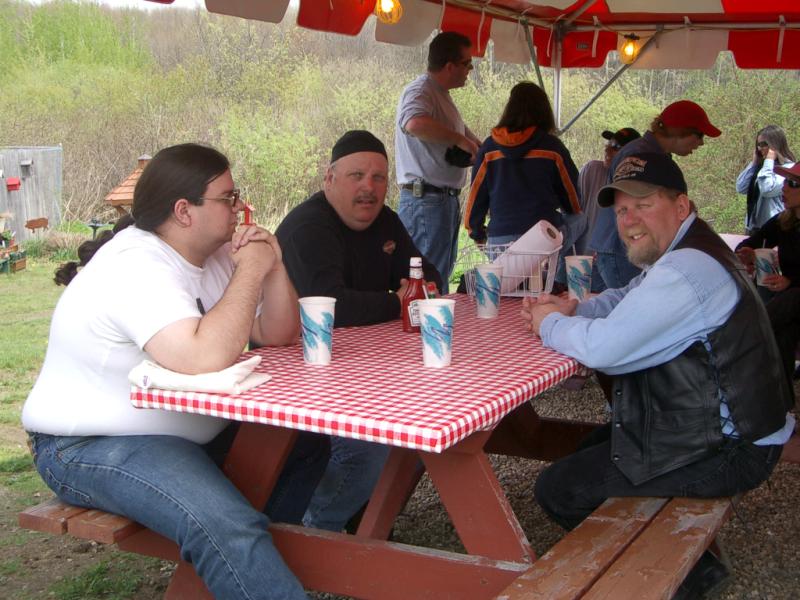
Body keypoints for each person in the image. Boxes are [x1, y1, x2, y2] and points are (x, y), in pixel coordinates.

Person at [23, 143, 330, 600]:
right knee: (224, 523)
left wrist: (273, 264)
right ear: (184, 211)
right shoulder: (135, 264)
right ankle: (240, 552)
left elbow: (278, 333)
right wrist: (249, 273)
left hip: (180, 434)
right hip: (88, 444)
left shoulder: (214, 254)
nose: (240, 207)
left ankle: (245, 567)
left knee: (302, 445)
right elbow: (201, 357)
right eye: (227, 198)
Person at [521, 152, 794, 598]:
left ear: (681, 206)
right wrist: (575, 308)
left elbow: (606, 350)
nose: (628, 220)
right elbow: (627, 298)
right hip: (728, 429)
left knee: (559, 488)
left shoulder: (688, 270)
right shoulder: (691, 251)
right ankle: (677, 561)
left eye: (643, 205)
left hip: (734, 448)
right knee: (591, 447)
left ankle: (688, 580)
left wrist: (548, 324)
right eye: (621, 209)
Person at [277, 130, 441, 533]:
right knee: (371, 449)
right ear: (329, 179)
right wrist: (397, 302)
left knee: (429, 429)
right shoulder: (309, 226)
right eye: (356, 176)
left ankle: (368, 521)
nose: (369, 187)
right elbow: (330, 306)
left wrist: (407, 295)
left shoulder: (386, 221)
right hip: (302, 381)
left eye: (378, 178)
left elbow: (429, 278)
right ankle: (319, 530)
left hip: (367, 367)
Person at [589, 100, 721, 290]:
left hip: (620, 249)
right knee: (634, 305)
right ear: (681, 131)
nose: (701, 142)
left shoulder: (651, 153)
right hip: (624, 251)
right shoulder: (640, 154)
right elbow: (631, 211)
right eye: (699, 135)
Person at [463, 81, 582, 288]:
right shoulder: (552, 147)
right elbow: (573, 200)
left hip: (501, 242)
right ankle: (561, 279)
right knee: (581, 218)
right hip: (542, 244)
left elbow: (475, 199)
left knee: (508, 295)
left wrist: (477, 233)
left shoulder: (489, 148)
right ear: (544, 111)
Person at [395, 31, 482, 285]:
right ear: (449, 66)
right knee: (426, 282)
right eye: (467, 63)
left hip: (440, 201)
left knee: (438, 278)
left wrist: (482, 148)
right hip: (426, 201)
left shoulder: (441, 96)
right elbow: (413, 123)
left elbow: (462, 133)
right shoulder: (421, 91)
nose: (470, 69)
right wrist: (459, 141)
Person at [737, 162, 800, 387]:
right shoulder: (784, 222)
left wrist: (790, 281)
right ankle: (783, 398)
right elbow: (752, 242)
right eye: (785, 182)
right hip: (789, 302)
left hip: (793, 296)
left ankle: (743, 339)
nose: (784, 188)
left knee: (790, 299)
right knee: (783, 333)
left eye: (793, 184)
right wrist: (747, 253)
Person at [574, 127, 640, 293]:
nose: (608, 149)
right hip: (598, 254)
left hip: (616, 253)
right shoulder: (593, 170)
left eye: (616, 147)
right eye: (608, 144)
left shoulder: (633, 180)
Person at [736, 125, 796, 235]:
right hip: (753, 228)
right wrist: (754, 164)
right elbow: (741, 187)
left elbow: (767, 189)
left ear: (775, 145)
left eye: (764, 144)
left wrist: (769, 161)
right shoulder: (762, 169)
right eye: (758, 145)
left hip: (774, 227)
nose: (760, 148)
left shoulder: (788, 170)